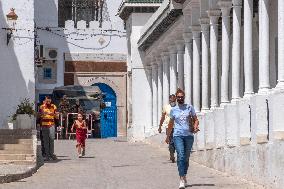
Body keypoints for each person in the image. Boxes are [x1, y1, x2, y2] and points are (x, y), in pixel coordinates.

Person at [166, 88, 199, 189]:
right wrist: (168, 136)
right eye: (178, 97)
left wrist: (195, 126)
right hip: (178, 136)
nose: (180, 98)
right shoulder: (173, 110)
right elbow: (171, 124)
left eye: (182, 97)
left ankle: (184, 175)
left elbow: (196, 119)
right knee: (180, 155)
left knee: (186, 158)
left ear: (184, 97)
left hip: (189, 136)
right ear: (176, 98)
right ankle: (181, 179)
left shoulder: (189, 107)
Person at [39, 96, 59, 161]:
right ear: (45, 100)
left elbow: (57, 116)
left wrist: (52, 113)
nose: (48, 102)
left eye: (49, 101)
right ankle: (47, 156)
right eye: (47, 101)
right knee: (46, 141)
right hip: (44, 125)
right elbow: (39, 115)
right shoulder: (41, 107)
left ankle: (51, 154)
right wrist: (42, 113)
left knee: (52, 139)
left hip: (51, 125)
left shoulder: (53, 106)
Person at [158, 94, 176, 163]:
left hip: (177, 127)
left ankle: (174, 152)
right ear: (169, 100)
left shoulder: (178, 107)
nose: (173, 100)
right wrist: (160, 126)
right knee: (171, 141)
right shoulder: (166, 107)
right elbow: (163, 117)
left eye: (174, 99)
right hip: (169, 127)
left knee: (177, 140)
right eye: (171, 99)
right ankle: (172, 154)